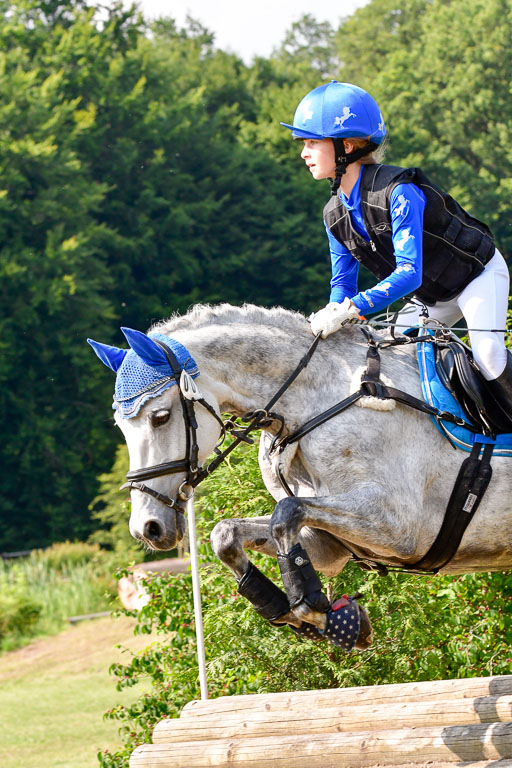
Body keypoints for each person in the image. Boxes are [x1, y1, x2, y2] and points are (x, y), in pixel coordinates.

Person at [280, 80, 512, 421]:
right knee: (395, 358)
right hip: (430, 298)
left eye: (312, 142)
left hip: (478, 277)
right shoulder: (334, 213)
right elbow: (343, 284)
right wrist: (333, 311)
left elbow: (408, 273)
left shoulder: (398, 192)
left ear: (346, 145)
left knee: (488, 355)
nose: (304, 152)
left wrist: (354, 308)